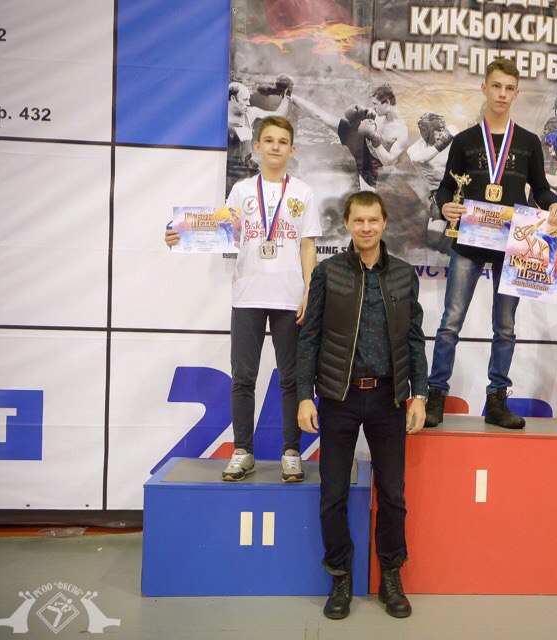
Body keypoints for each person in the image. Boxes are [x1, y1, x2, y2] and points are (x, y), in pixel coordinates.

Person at [166, 115, 321, 483]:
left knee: (291, 379)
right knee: (243, 378)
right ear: (257, 147)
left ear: (292, 150)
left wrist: (309, 290)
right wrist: (180, 235)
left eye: (282, 142)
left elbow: (307, 245)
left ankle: (291, 452)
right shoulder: (241, 191)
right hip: (248, 294)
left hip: (289, 297)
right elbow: (219, 232)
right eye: (269, 141)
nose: (275, 147)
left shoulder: (303, 192)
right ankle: (242, 451)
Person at [296, 191, 428, 620]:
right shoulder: (327, 273)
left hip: (390, 397)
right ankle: (340, 577)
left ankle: (391, 576)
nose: (366, 228)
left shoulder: (404, 274)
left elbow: (414, 338)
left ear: (384, 222)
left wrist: (420, 394)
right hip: (340, 397)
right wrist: (304, 395)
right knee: (332, 493)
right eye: (358, 220)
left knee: (393, 495)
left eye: (373, 220)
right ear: (347, 224)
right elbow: (309, 338)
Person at [424, 57, 557, 430]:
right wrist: (445, 205)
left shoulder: (528, 142)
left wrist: (554, 204)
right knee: (450, 322)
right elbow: (445, 187)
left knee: (505, 328)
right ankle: (435, 395)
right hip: (469, 244)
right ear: (484, 88)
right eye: (496, 86)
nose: (502, 94)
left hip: (513, 247)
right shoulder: (465, 140)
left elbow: (540, 188)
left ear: (516, 93)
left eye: (509, 88)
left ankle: (497, 400)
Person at [290, 84, 405, 190]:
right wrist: (359, 113)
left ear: (387, 102)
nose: (373, 107)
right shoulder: (378, 113)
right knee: (320, 115)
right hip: (359, 142)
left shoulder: (401, 132)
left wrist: (374, 138)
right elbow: (358, 112)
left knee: (367, 198)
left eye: (375, 104)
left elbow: (388, 161)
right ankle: (290, 96)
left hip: (373, 168)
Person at [406, 111, 458, 247]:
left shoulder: (451, 138)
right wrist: (443, 141)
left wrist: (450, 134)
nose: (441, 133)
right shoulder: (414, 150)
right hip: (439, 194)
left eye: (442, 129)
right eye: (437, 130)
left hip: (461, 190)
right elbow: (420, 159)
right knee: (434, 236)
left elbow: (454, 129)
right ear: (426, 131)